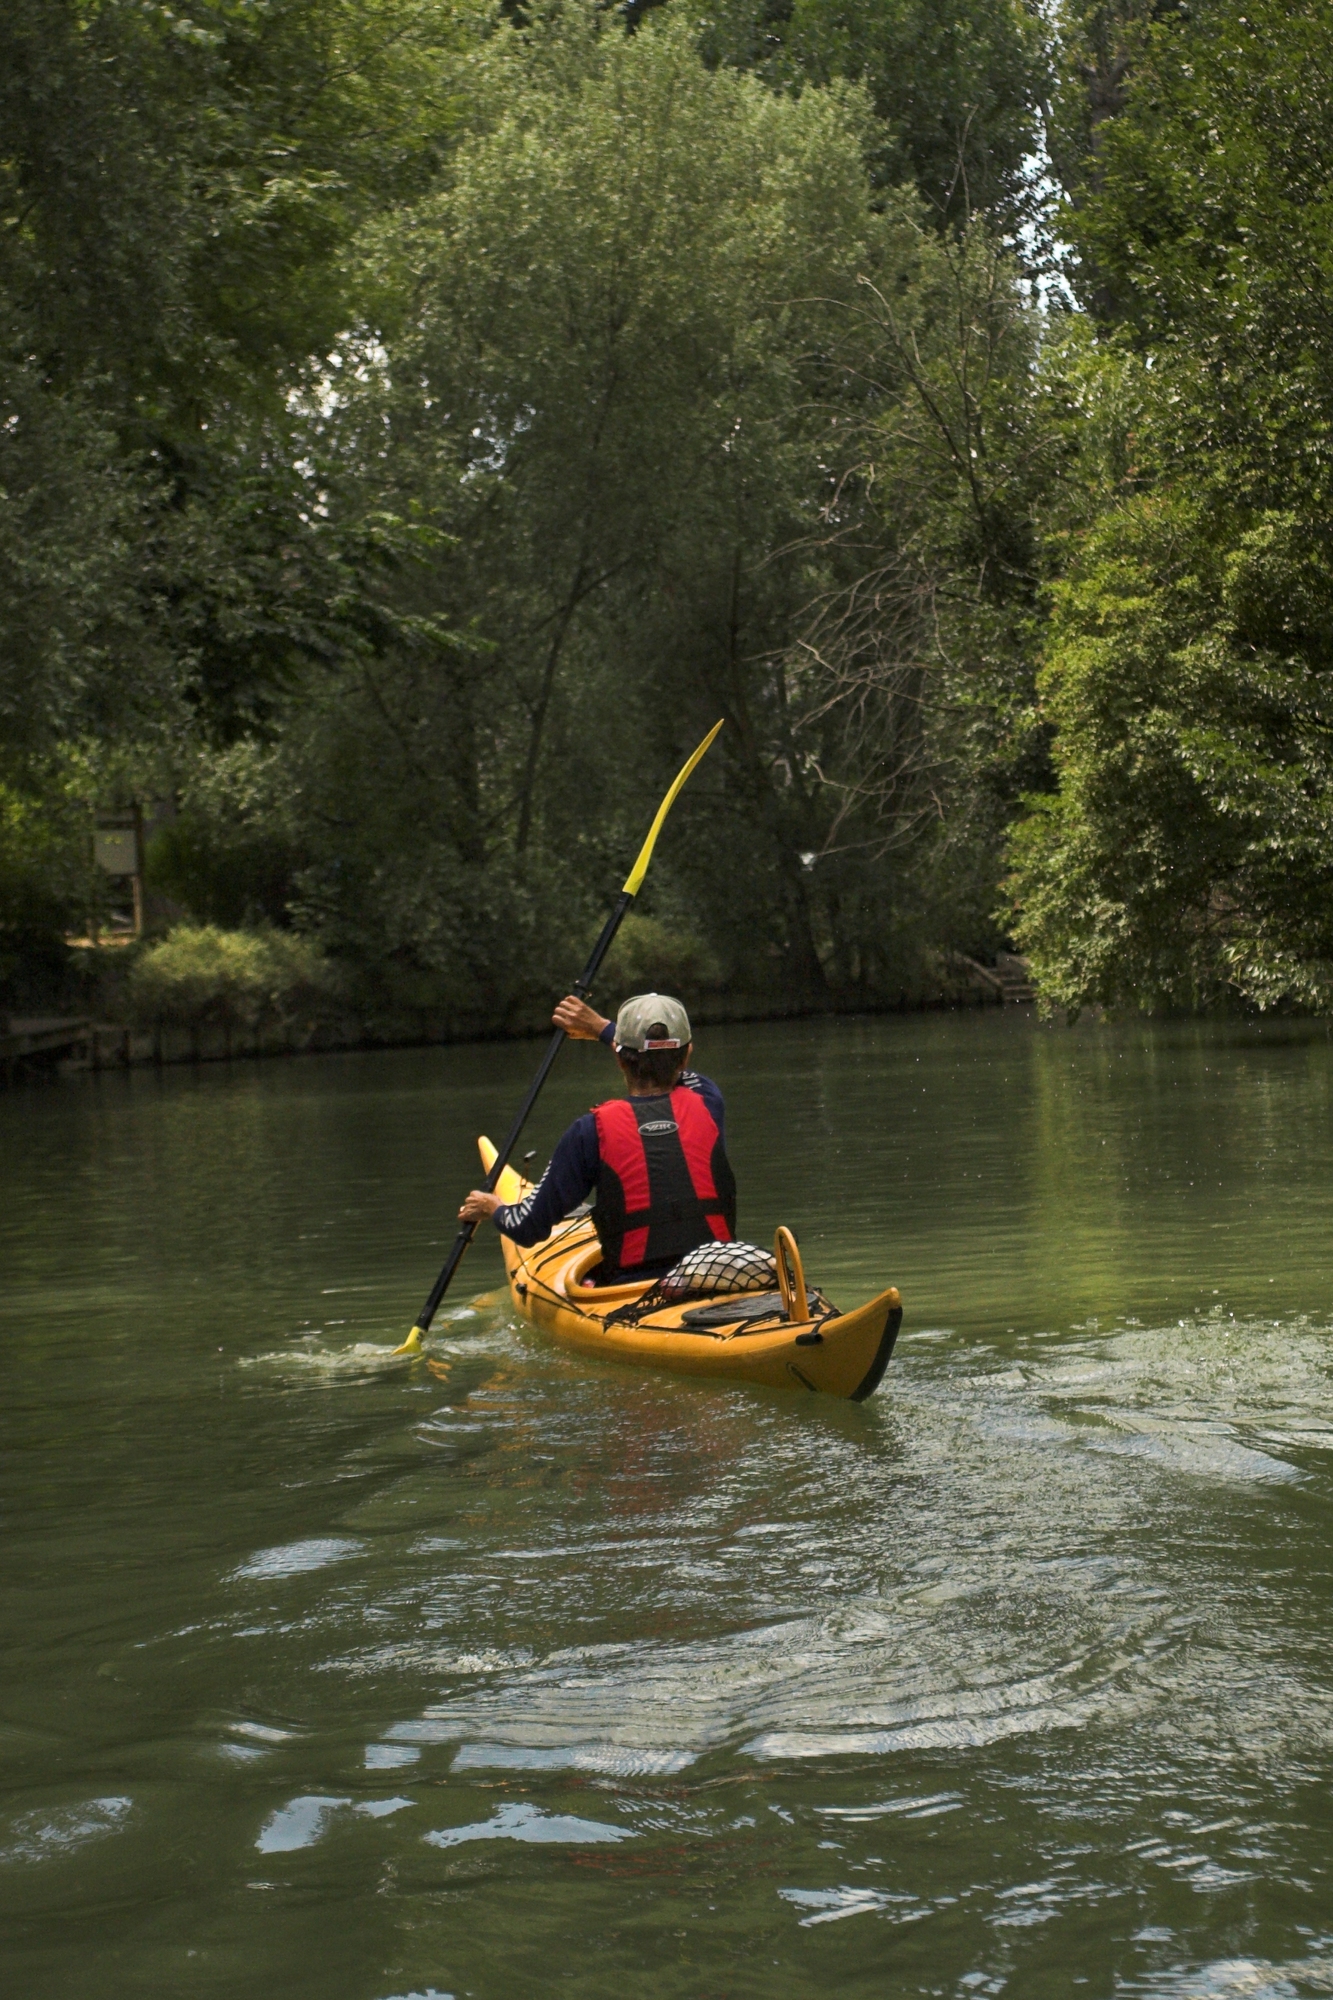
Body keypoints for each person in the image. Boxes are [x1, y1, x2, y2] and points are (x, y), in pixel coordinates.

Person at [459, 992, 736, 1285]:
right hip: (720, 1278)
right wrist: (601, 1028)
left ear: (619, 1059)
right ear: (687, 1055)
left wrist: (494, 1208)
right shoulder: (708, 1100)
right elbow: (678, 1070)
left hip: (632, 1293)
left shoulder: (590, 1131)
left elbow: (528, 1227)